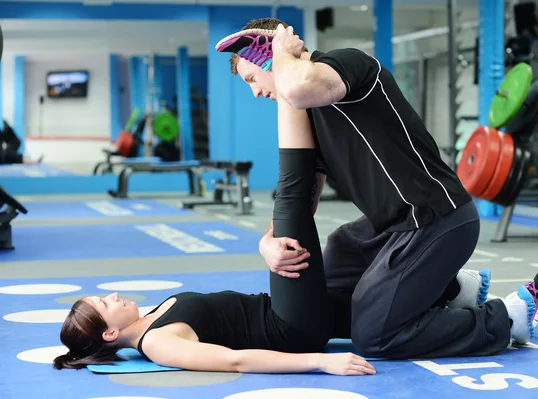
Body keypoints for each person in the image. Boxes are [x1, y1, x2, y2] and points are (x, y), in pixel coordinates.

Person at [216, 18, 538, 359]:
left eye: (252, 79)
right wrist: (268, 240)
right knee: (327, 290)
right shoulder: (309, 119)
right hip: (388, 228)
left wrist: (283, 51)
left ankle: (506, 320)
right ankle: (451, 291)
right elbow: (304, 195)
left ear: (269, 55)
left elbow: (298, 87)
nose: (256, 92)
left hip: (436, 219)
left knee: (373, 336)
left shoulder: (347, 64)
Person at [52, 77, 377, 377]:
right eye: (105, 304)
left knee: (379, 302)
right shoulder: (156, 344)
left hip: (289, 311)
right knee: (291, 203)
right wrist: (320, 361)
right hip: (290, 328)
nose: (113, 295)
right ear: (109, 333)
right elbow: (235, 360)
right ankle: (286, 82)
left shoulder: (152, 317)